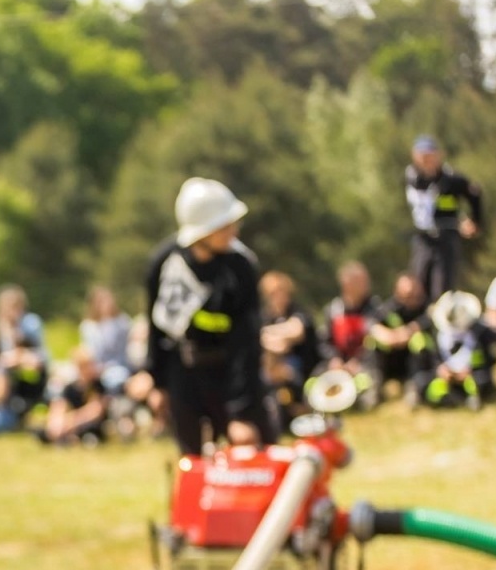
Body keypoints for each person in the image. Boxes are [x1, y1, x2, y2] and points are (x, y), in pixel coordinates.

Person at [144, 177, 268, 455]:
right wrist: (158, 383)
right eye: (225, 226)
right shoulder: (165, 264)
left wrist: (241, 413)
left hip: (230, 371)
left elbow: (247, 341)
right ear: (202, 232)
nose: (234, 231)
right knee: (191, 459)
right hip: (185, 372)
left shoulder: (241, 267)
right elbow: (158, 327)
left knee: (256, 450)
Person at [404, 136, 482, 300]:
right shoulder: (411, 177)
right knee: (417, 286)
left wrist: (474, 221)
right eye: (422, 155)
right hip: (423, 238)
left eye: (429, 155)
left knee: (442, 288)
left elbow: (475, 194)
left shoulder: (451, 179)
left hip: (446, 237)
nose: (426, 160)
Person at [257, 270, 320, 425]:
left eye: (281, 292)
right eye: (273, 293)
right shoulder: (265, 317)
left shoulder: (298, 311)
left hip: (304, 368)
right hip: (273, 370)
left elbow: (297, 330)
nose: (278, 297)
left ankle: (301, 408)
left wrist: (269, 334)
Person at [416, 290, 496, 409]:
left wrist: (470, 372)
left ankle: (472, 398)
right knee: (421, 381)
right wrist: (441, 370)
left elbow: (489, 359)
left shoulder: (480, 332)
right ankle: (447, 399)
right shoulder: (437, 334)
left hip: (471, 377)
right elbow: (431, 359)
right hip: (446, 378)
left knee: (482, 380)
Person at [316, 261, 381, 405]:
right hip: (337, 364)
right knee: (315, 383)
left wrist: (356, 363)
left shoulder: (373, 308)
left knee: (368, 393)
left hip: (364, 365)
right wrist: (334, 359)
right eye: (361, 281)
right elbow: (324, 341)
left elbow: (373, 341)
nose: (366, 285)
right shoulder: (333, 310)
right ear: (346, 284)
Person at [365, 271, 433, 398]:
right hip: (392, 357)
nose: (410, 296)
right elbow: (371, 324)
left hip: (416, 362)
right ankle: (375, 386)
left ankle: (414, 387)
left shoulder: (427, 307)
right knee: (373, 342)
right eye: (406, 294)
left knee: (419, 340)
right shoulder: (390, 307)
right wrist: (388, 336)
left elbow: (427, 321)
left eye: (413, 293)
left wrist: (408, 332)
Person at [40, 346, 109, 445]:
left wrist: (71, 421)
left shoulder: (97, 386)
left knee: (90, 433)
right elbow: (59, 405)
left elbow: (96, 411)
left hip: (88, 423)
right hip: (72, 421)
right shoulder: (70, 387)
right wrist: (57, 423)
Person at [79, 285, 134, 394]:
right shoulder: (88, 326)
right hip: (95, 369)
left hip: (118, 368)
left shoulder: (122, 322)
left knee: (116, 379)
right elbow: (89, 352)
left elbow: (125, 352)